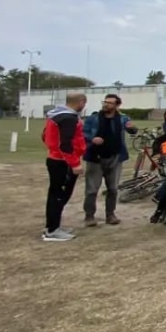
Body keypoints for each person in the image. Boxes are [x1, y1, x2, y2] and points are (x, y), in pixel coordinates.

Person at [81, 93, 138, 226]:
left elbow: (133, 131)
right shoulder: (93, 118)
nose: (106, 104)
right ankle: (89, 216)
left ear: (117, 105)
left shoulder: (123, 119)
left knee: (113, 189)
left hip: (115, 157)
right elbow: (83, 133)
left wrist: (132, 128)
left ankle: (110, 215)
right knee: (92, 189)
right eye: (105, 102)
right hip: (95, 158)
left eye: (110, 103)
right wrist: (92, 139)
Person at [42, 92, 88, 241]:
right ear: (81, 102)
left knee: (56, 194)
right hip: (62, 162)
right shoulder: (68, 118)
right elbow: (65, 144)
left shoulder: (55, 115)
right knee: (59, 195)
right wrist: (74, 163)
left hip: (55, 159)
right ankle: (52, 230)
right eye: (84, 103)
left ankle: (53, 226)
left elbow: (44, 135)